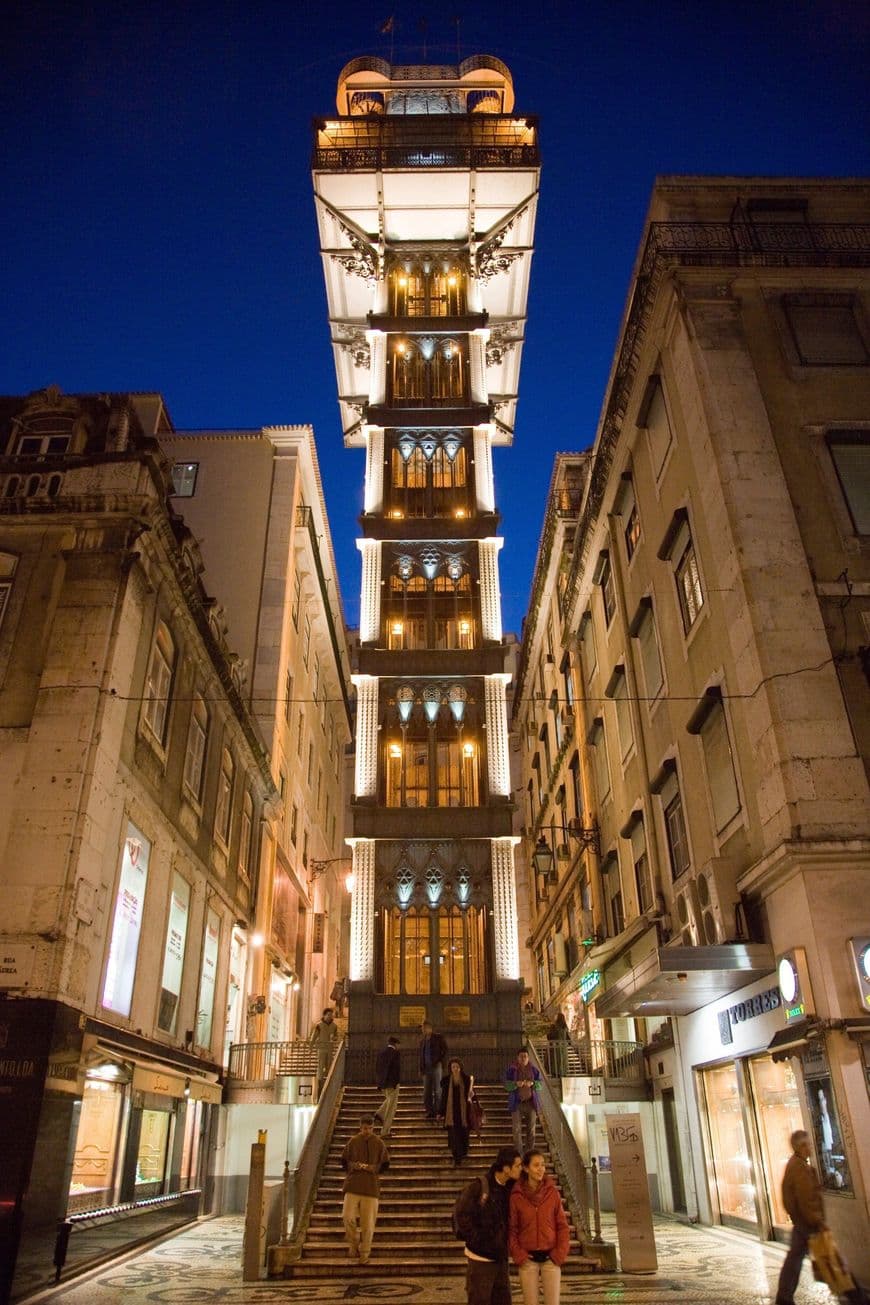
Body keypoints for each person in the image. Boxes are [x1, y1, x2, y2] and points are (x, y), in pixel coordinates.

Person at [454, 1145, 522, 1305]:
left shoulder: (510, 1187)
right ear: (506, 1168)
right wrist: (479, 1240)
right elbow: (462, 1215)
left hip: (500, 1258)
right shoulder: (480, 1187)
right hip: (480, 1258)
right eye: (518, 1166)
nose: (520, 1169)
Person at [509, 1149, 570, 1305]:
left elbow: (562, 1226)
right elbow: (512, 1229)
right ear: (526, 1168)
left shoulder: (552, 1193)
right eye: (536, 1165)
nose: (541, 1169)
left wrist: (559, 1253)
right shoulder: (517, 1196)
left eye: (543, 1165)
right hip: (527, 1260)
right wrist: (519, 1254)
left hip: (551, 1258)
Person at [340, 1114, 389, 1265]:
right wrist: (354, 1166)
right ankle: (354, 1241)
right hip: (353, 1185)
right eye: (364, 1128)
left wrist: (373, 1168)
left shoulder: (379, 1143)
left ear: (373, 1128)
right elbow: (344, 1160)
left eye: (369, 1128)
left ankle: (365, 1253)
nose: (366, 1131)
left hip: (371, 1187)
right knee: (347, 1217)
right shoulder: (353, 1141)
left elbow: (385, 1163)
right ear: (360, 1128)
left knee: (368, 1224)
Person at [504, 1048, 542, 1156]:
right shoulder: (512, 1070)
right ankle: (519, 1153)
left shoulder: (534, 1070)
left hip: (530, 1102)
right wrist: (516, 1084)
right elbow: (506, 1085)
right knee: (516, 1129)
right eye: (521, 1056)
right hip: (517, 1103)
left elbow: (540, 1085)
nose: (523, 1058)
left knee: (531, 1129)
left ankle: (529, 1152)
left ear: (528, 1058)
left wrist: (532, 1084)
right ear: (518, 1058)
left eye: (525, 1056)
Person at [438, 1056, 474, 1165]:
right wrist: (440, 1112)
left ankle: (462, 1153)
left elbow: (471, 1096)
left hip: (464, 1114)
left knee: (464, 1135)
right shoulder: (446, 1082)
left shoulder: (467, 1080)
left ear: (460, 1068)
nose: (455, 1069)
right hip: (451, 1115)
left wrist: (472, 1095)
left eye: (457, 1067)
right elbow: (444, 1098)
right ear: (450, 1068)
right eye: (453, 1067)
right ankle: (457, 1158)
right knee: (453, 1137)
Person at [419, 1020, 447, 1120]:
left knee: (438, 1090)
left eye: (423, 1027)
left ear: (429, 1028)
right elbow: (421, 1056)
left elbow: (445, 1050)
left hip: (436, 1066)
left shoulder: (438, 1037)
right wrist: (421, 1068)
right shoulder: (423, 1041)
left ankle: (438, 1112)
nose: (422, 1030)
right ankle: (430, 1111)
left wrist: (439, 1061)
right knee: (427, 1092)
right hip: (426, 1068)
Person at [375, 1035, 401, 1138]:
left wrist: (380, 1083)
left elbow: (378, 1069)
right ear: (396, 1044)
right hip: (392, 1083)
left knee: (389, 1102)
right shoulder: (396, 1053)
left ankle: (380, 1113)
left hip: (383, 1083)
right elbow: (396, 1070)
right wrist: (395, 1083)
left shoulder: (381, 1053)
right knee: (391, 1108)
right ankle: (385, 1131)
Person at [309, 1007, 339, 1084]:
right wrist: (310, 1047)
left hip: (329, 1049)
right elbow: (314, 1036)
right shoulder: (319, 1025)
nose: (330, 1017)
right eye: (328, 1015)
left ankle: (328, 1082)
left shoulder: (334, 1026)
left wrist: (334, 1038)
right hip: (321, 1048)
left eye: (331, 1015)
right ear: (324, 1015)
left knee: (329, 1066)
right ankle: (319, 1082)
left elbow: (336, 1037)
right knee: (320, 1065)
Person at [546, 1012, 569, 1078]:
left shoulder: (554, 1026)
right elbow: (568, 1038)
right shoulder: (565, 1027)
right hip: (563, 1048)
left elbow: (549, 1036)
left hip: (556, 1048)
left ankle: (556, 1074)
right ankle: (563, 1073)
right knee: (562, 1062)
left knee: (556, 1062)